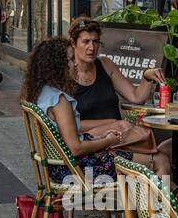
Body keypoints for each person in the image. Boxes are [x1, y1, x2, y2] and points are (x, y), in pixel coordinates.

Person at [22, 36, 133, 184]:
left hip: (59, 167)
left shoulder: (42, 93)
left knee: (137, 155)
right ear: (57, 64)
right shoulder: (59, 100)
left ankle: (141, 203)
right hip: (76, 171)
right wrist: (108, 141)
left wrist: (100, 139)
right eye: (71, 59)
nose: (75, 64)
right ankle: (151, 205)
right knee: (156, 161)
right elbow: (76, 148)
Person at [67, 17, 167, 171]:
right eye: (85, 42)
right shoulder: (66, 75)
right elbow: (70, 125)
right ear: (74, 43)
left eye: (95, 42)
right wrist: (113, 123)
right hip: (94, 143)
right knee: (161, 160)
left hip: (120, 138)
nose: (92, 47)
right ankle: (173, 193)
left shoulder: (105, 65)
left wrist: (147, 76)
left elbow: (136, 97)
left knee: (165, 161)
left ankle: (171, 194)